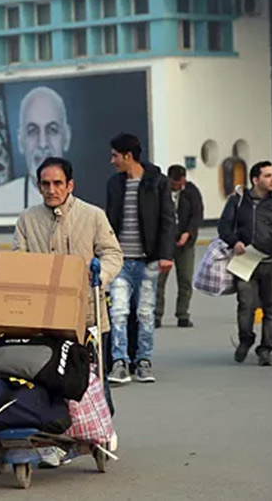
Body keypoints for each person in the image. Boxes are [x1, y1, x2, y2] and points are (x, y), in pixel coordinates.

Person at [13, 156, 124, 468]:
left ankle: (100, 427)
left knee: (93, 380)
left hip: (88, 314)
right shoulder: (27, 219)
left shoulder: (92, 216)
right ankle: (54, 439)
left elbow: (113, 253)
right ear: (39, 186)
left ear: (70, 185)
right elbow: (17, 259)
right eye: (46, 184)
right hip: (44, 318)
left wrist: (100, 275)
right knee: (50, 380)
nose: (52, 190)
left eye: (58, 183)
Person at [104, 133, 175, 384]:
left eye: (115, 155)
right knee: (119, 313)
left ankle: (143, 361)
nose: (112, 161)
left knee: (145, 313)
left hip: (149, 261)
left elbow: (168, 219)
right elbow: (108, 221)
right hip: (120, 262)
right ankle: (119, 362)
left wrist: (166, 254)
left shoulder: (158, 182)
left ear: (128, 156)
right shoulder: (114, 184)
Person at [218, 161, 272, 367]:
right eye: (267, 176)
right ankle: (246, 338)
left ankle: (266, 349)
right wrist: (234, 242)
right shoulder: (238, 202)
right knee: (245, 305)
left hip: (271, 263)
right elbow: (223, 227)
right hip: (245, 261)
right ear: (255, 180)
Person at [0, 85, 71, 212]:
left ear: (67, 138)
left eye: (52, 130)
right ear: (20, 141)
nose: (42, 143)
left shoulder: (91, 208)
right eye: (32, 131)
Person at [158, 165, 203, 328]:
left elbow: (197, 215)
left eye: (180, 182)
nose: (177, 185)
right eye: (174, 183)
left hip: (185, 243)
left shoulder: (192, 192)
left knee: (185, 280)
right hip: (165, 243)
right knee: (159, 281)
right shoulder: (162, 190)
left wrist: (188, 233)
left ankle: (182, 314)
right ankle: (157, 315)